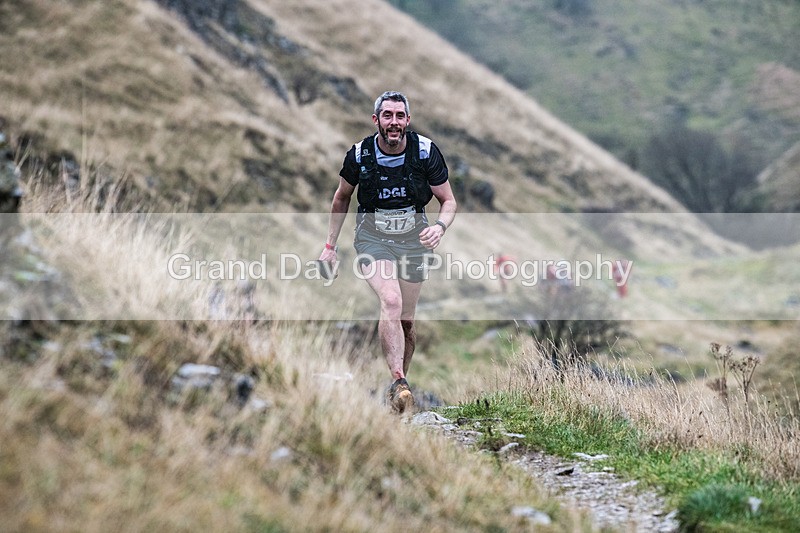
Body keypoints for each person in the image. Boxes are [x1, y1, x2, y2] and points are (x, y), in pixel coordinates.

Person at [319, 91, 457, 414]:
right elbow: (341, 199)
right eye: (387, 116)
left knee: (406, 322)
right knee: (391, 300)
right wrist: (329, 247)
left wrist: (440, 227)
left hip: (414, 242)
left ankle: (399, 391)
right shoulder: (360, 155)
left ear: (407, 120)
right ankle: (398, 380)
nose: (393, 122)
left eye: (399, 116)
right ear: (376, 120)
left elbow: (448, 201)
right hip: (372, 240)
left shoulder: (425, 152)